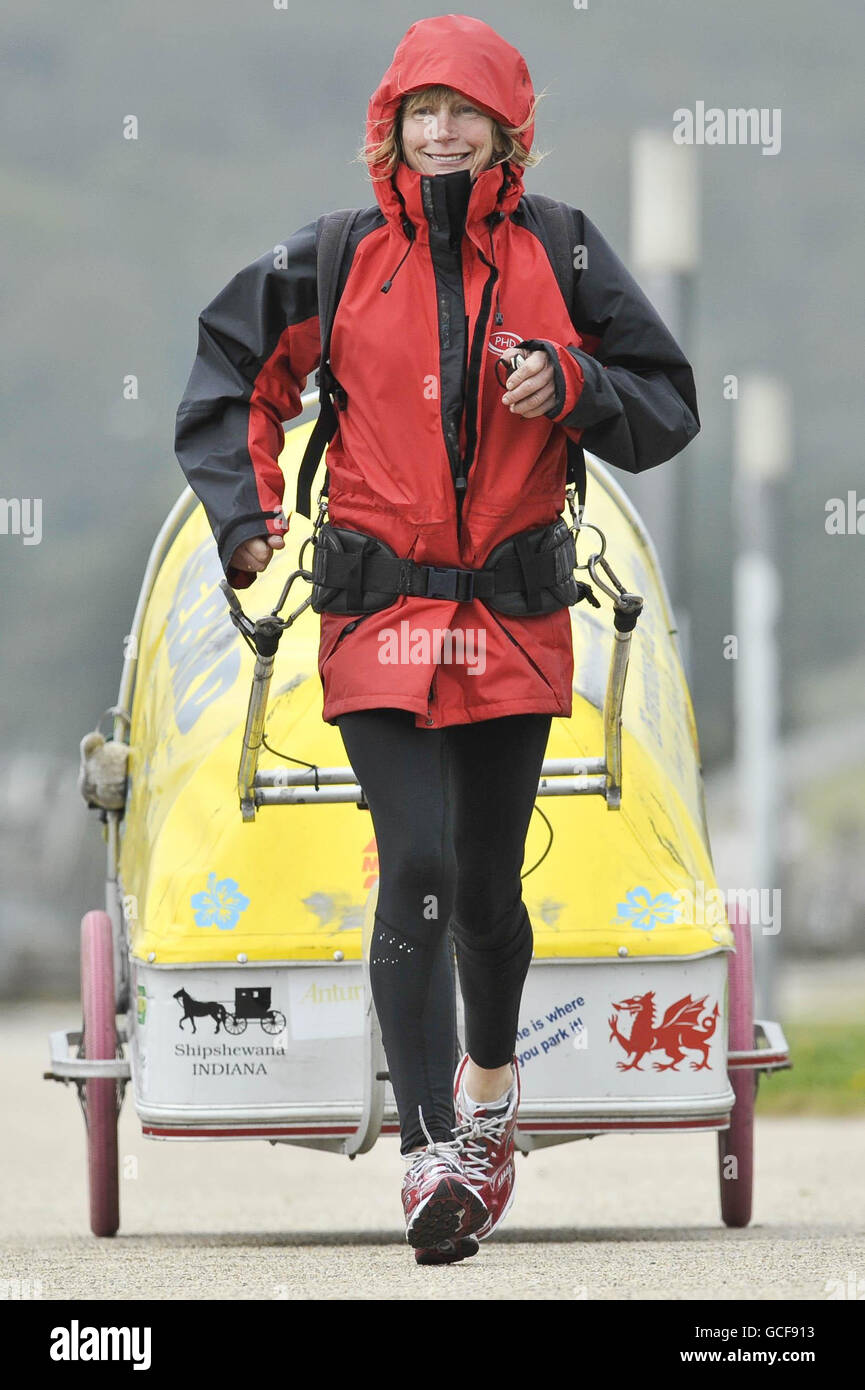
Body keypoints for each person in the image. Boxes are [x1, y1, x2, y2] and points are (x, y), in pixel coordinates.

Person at [174, 14, 699, 1265]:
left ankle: (491, 1096)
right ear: (392, 128)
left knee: (482, 884)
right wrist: (247, 519)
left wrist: (573, 383)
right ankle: (427, 1158)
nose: (444, 131)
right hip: (375, 611)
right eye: (423, 113)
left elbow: (668, 404)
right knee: (409, 860)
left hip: (515, 616)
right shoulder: (336, 255)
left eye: (466, 113)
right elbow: (229, 368)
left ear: (507, 130)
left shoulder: (565, 251)